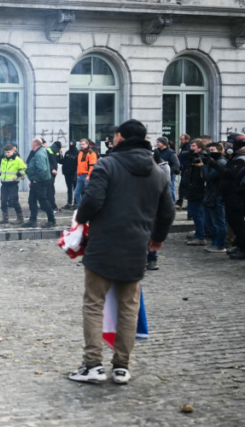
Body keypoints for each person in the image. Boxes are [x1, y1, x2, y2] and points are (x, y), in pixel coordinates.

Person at [69, 120, 174, 386]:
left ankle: (92, 364)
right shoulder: (157, 171)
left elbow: (92, 200)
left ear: (120, 137)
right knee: (129, 308)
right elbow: (168, 212)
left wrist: (80, 219)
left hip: (103, 244)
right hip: (136, 247)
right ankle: (121, 367)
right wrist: (158, 238)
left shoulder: (107, 164)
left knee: (94, 304)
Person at [201, 141, 228, 253]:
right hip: (210, 194)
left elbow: (209, 177)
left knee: (218, 221)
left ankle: (220, 244)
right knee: (209, 221)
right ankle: (215, 242)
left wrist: (204, 166)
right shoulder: (214, 162)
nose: (210, 153)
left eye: (212, 151)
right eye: (209, 151)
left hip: (216, 195)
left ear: (220, 151)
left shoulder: (220, 163)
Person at [23, 138, 57, 228]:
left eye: (32, 142)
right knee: (32, 200)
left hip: (40, 182)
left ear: (35, 143)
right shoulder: (38, 152)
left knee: (43, 201)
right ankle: (32, 220)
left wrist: (35, 179)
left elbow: (42, 169)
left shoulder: (39, 153)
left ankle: (51, 220)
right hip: (37, 181)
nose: (31, 144)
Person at [147, 149, 171, 271]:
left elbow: (164, 188)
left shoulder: (160, 170)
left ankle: (152, 258)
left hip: (153, 207)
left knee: (151, 232)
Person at [183, 139, 208, 246]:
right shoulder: (194, 157)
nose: (191, 148)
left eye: (194, 146)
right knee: (198, 213)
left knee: (196, 214)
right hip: (194, 189)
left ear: (200, 147)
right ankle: (199, 233)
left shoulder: (202, 158)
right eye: (191, 146)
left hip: (197, 190)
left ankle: (200, 236)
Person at [224, 135, 245, 260]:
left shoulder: (241, 159)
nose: (228, 147)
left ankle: (243, 248)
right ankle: (240, 244)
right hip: (231, 195)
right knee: (233, 221)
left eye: (230, 144)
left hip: (238, 196)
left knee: (238, 223)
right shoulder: (235, 158)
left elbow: (232, 176)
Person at [0, 143, 26, 225]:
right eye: (6, 152)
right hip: (4, 184)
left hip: (13, 184)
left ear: (13, 151)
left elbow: (24, 169)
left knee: (14, 201)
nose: (7, 154)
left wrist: (18, 175)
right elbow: (2, 170)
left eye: (8, 152)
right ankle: (5, 218)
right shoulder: (4, 159)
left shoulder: (17, 160)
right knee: (3, 201)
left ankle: (20, 218)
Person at [155, 137, 181, 204]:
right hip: (159, 175)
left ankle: (172, 203)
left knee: (170, 190)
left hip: (168, 176)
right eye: (157, 142)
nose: (157, 143)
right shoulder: (156, 151)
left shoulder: (170, 152)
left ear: (164, 143)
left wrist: (169, 172)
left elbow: (176, 164)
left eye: (159, 142)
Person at [74, 139, 97, 206]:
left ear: (87, 144)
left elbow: (92, 166)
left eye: (83, 144)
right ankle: (80, 207)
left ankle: (91, 207)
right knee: (77, 193)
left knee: (89, 194)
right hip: (80, 175)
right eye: (81, 144)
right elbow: (79, 164)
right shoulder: (80, 153)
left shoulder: (91, 153)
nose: (82, 146)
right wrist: (78, 174)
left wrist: (89, 175)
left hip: (87, 175)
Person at [176, 133, 193, 209]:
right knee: (182, 187)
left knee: (184, 187)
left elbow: (187, 158)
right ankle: (180, 202)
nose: (181, 141)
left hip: (186, 170)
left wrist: (183, 166)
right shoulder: (184, 147)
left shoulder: (188, 147)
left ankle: (181, 203)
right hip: (184, 170)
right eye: (180, 140)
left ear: (187, 140)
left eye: (182, 140)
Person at [62, 141, 79, 209]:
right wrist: (64, 171)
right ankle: (69, 203)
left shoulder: (77, 153)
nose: (71, 145)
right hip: (67, 173)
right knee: (69, 189)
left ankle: (75, 203)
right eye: (70, 144)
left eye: (72, 144)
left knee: (75, 188)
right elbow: (63, 162)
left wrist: (76, 173)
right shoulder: (67, 153)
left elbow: (78, 164)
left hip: (74, 173)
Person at [47, 140, 61, 213]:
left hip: (53, 173)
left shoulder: (55, 151)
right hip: (50, 173)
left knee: (50, 189)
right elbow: (46, 162)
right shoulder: (49, 150)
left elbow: (60, 161)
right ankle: (52, 206)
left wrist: (61, 154)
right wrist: (52, 169)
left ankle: (50, 205)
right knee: (50, 190)